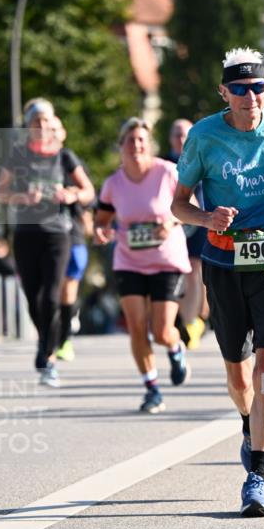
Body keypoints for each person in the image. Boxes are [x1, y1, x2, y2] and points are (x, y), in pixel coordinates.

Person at [171, 47, 264, 518]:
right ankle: (247, 423)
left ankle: (257, 476)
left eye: (258, 88)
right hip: (224, 261)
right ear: (224, 92)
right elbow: (179, 205)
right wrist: (208, 216)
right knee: (238, 374)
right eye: (240, 89)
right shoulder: (203, 136)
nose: (250, 97)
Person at [0, 98, 95, 387]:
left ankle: (48, 356)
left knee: (52, 295)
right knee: (32, 297)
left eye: (45, 121)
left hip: (57, 233)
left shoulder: (64, 157)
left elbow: (88, 191)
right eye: (35, 122)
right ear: (28, 127)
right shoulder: (18, 155)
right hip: (26, 234)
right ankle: (45, 340)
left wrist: (71, 194)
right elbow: (0, 193)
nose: (40, 126)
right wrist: (21, 198)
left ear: (52, 126)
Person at [94, 117, 191, 414]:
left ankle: (176, 349)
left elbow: (191, 208)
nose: (136, 145)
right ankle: (152, 389)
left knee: (162, 331)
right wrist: (101, 232)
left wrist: (171, 221)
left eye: (141, 140)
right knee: (136, 328)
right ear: (121, 145)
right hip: (129, 261)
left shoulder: (168, 172)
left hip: (166, 260)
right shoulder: (113, 184)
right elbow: (101, 221)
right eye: (130, 140)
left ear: (149, 145)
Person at [50, 116, 95, 363]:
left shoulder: (73, 162)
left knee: (68, 288)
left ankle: (64, 339)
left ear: (64, 133)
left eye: (56, 130)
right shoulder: (32, 164)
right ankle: (52, 333)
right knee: (50, 291)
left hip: (73, 231)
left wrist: (74, 194)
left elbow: (91, 196)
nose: (52, 134)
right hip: (44, 235)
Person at [165, 118, 208, 350]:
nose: (180, 139)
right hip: (169, 225)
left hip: (197, 223)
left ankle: (191, 322)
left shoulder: (201, 156)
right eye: (176, 134)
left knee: (194, 271)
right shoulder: (163, 162)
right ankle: (178, 320)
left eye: (185, 134)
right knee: (174, 272)